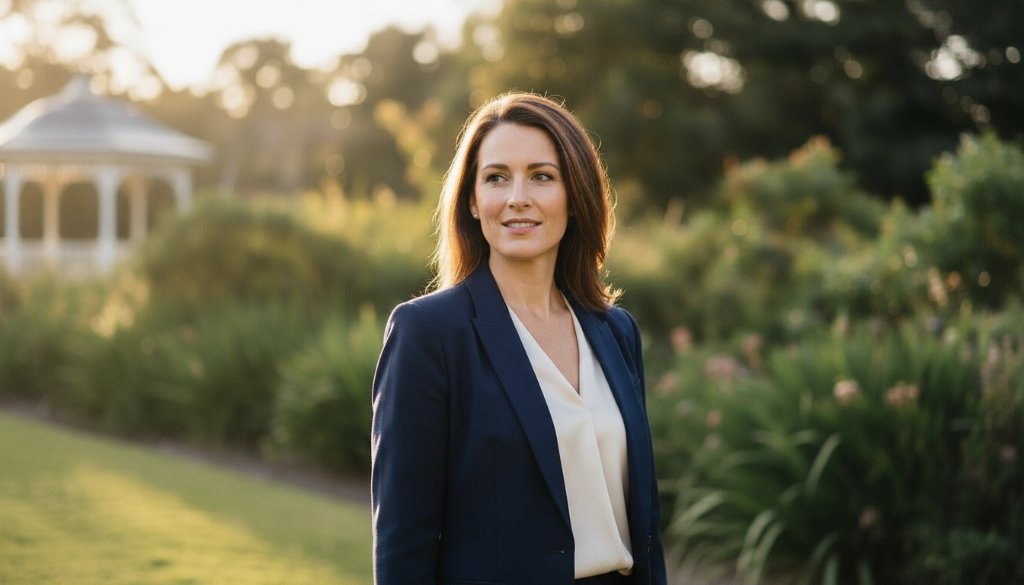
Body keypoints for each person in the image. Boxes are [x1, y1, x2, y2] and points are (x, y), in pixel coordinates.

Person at [371, 92, 668, 585]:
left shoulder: (616, 331)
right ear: (472, 199)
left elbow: (645, 521)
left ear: (574, 195)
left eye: (541, 176)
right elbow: (405, 540)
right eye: (496, 178)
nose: (517, 198)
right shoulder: (429, 333)